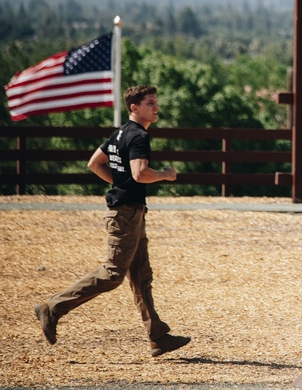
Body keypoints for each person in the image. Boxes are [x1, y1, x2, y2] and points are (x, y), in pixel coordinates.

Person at [33, 85, 191, 358]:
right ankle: (52, 307)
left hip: (130, 211)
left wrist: (120, 183)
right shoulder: (139, 136)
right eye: (150, 103)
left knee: (141, 276)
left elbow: (95, 163)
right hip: (126, 213)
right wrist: (165, 174)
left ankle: (158, 336)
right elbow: (141, 174)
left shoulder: (119, 133)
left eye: (156, 102)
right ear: (134, 108)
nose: (156, 107)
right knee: (113, 274)